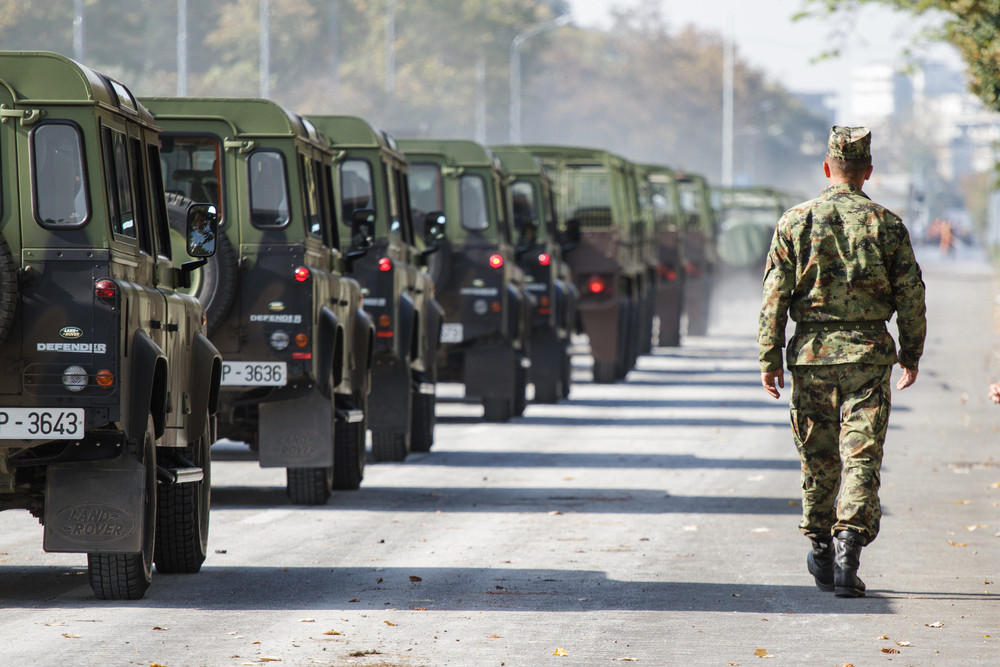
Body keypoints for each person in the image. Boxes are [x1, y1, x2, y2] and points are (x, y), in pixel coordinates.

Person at [757, 126, 927, 598]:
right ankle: (848, 543)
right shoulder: (887, 224)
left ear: (827, 169)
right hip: (869, 359)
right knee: (861, 456)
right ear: (868, 172)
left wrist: (769, 356)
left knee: (818, 457)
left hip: (811, 358)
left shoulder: (795, 221)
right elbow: (911, 294)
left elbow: (774, 294)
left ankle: (819, 544)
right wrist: (911, 353)